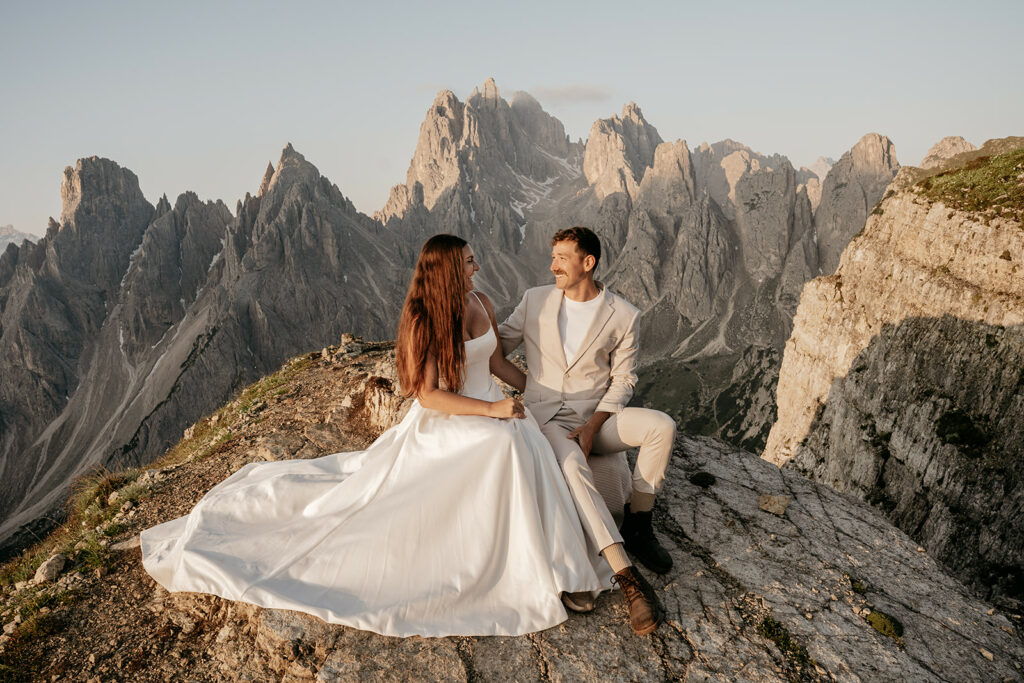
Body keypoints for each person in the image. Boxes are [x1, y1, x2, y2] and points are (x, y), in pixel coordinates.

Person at [140, 234, 608, 638]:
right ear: (447, 269)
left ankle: (562, 569)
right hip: (452, 418)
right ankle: (530, 575)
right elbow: (427, 395)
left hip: (494, 408)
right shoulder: (426, 318)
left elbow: (500, 365)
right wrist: (491, 410)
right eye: (468, 262)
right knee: (504, 445)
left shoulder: (482, 302)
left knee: (526, 440)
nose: (477, 266)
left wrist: (546, 398)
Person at [497, 226, 677, 636]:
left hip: (598, 417)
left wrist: (595, 424)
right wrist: (534, 392)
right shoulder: (534, 300)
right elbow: (496, 352)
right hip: (548, 419)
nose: (552, 264)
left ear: (587, 262)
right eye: (554, 256)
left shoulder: (624, 314)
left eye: (562, 257)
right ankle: (629, 581)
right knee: (574, 468)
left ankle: (639, 524)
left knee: (661, 427)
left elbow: (624, 380)